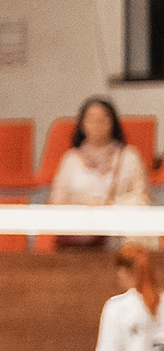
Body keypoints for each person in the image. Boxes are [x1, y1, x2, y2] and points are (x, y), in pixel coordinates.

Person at [47, 96, 151, 249]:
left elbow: (142, 197)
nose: (97, 125)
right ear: (82, 124)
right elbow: (57, 202)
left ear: (113, 122)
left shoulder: (130, 157)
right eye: (92, 119)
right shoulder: (70, 160)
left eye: (103, 119)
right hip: (80, 240)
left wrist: (110, 205)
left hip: (122, 238)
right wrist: (85, 208)